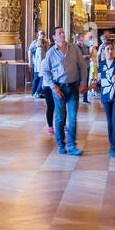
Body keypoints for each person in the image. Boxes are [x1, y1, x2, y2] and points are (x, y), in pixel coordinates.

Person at [40, 27, 88, 155]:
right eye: (59, 33)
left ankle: (72, 146)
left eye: (63, 32)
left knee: (72, 118)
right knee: (60, 118)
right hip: (59, 89)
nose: (62, 34)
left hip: (73, 87)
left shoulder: (74, 49)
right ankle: (61, 144)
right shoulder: (50, 52)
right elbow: (46, 72)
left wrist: (83, 83)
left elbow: (82, 67)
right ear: (54, 37)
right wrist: (53, 87)